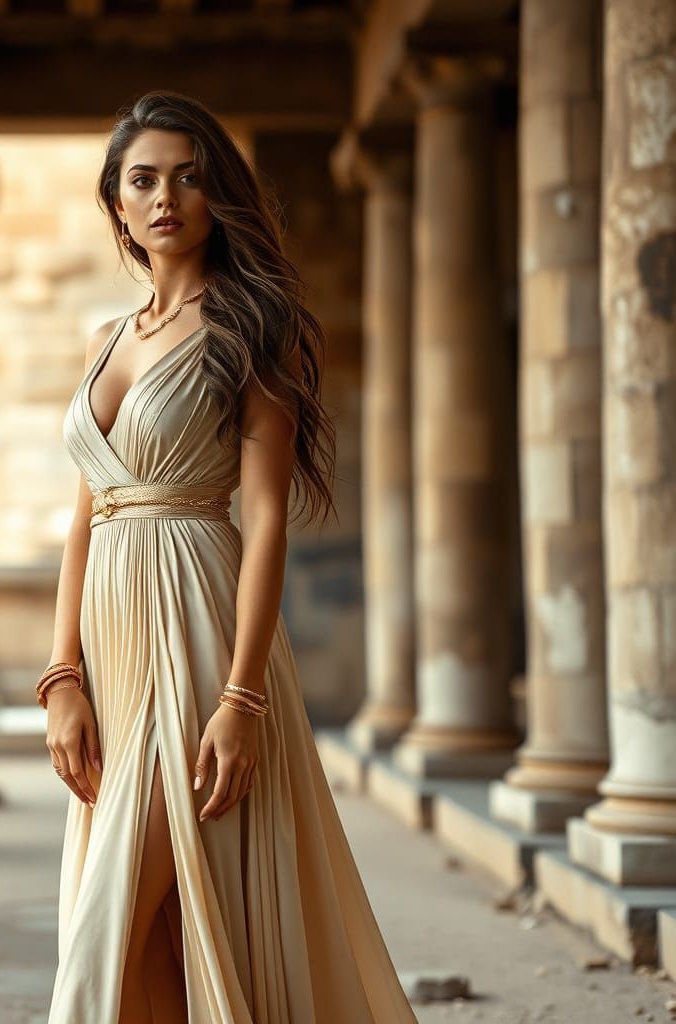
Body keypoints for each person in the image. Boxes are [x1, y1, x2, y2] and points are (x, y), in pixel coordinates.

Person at [40, 90, 418, 1023]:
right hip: (114, 654)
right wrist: (61, 676)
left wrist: (242, 697)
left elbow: (266, 524)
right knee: (150, 937)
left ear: (218, 196)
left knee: (107, 924)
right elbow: (87, 514)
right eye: (143, 180)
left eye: (189, 176)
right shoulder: (105, 342)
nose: (166, 196)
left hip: (199, 637)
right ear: (118, 203)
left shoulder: (251, 327)